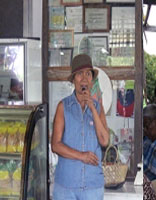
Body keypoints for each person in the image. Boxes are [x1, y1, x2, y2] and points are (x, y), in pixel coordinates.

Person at [51, 54, 109, 200]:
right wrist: (81, 156)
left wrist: (92, 107)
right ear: (73, 79)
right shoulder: (63, 106)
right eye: (79, 74)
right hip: (66, 186)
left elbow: (104, 141)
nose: (84, 78)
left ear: (92, 80)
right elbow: (55, 145)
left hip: (92, 186)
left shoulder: (98, 107)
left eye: (88, 74)